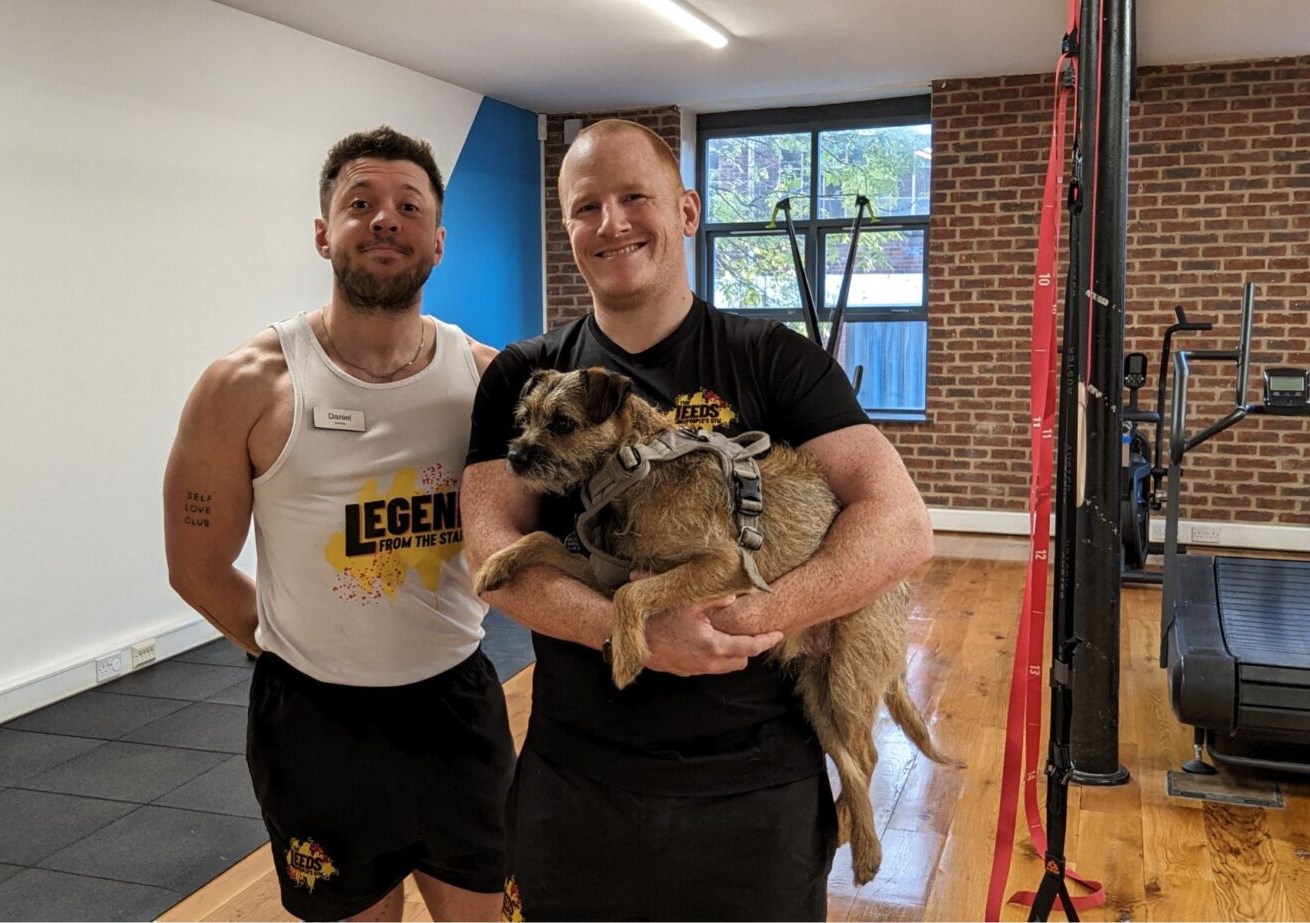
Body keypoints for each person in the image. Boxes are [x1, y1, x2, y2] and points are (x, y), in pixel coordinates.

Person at [462, 119, 934, 921]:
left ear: (686, 210)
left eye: (633, 197)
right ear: (567, 227)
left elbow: (901, 524)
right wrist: (627, 626)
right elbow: (492, 543)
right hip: (578, 777)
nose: (610, 223)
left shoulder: (775, 359)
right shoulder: (523, 373)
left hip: (753, 786)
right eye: (586, 207)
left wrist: (748, 618)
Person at [164, 126, 510, 923]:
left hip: (455, 709)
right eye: (361, 203)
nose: (384, 220)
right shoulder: (246, 386)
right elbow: (196, 566)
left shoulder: (485, 381)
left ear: (438, 241)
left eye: (407, 206)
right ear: (324, 232)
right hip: (316, 726)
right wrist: (296, 649)